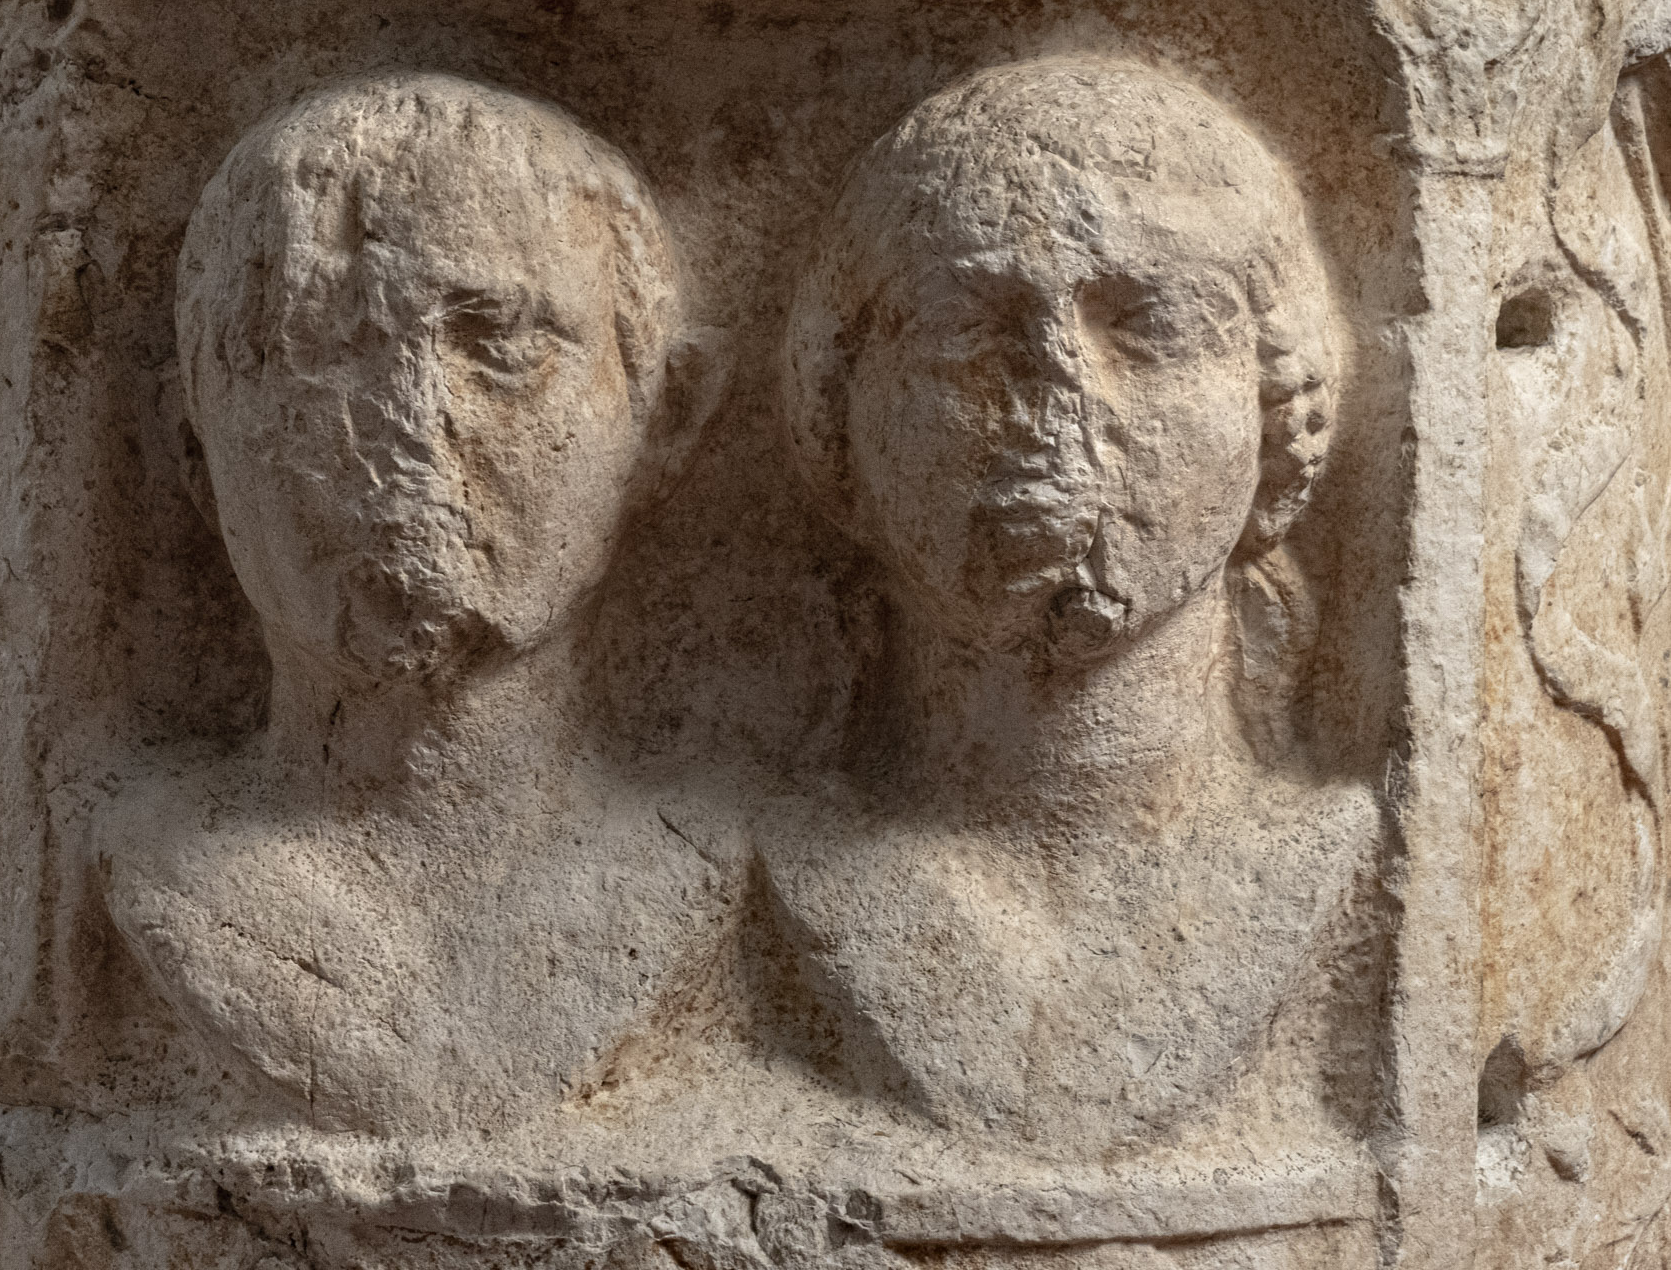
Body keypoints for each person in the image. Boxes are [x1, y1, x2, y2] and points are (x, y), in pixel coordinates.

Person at [765, 57, 1379, 1156]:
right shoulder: (741, 862)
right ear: (838, 410)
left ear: (1276, 409)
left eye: (1150, 325)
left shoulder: (1361, 865)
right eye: (964, 326)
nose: (1058, 397)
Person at [101, 73, 729, 1141]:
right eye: (317, 347)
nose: (408, 429)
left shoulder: (714, 870)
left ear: (664, 420)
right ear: (191, 440)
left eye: (500, 346)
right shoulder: (141, 869)